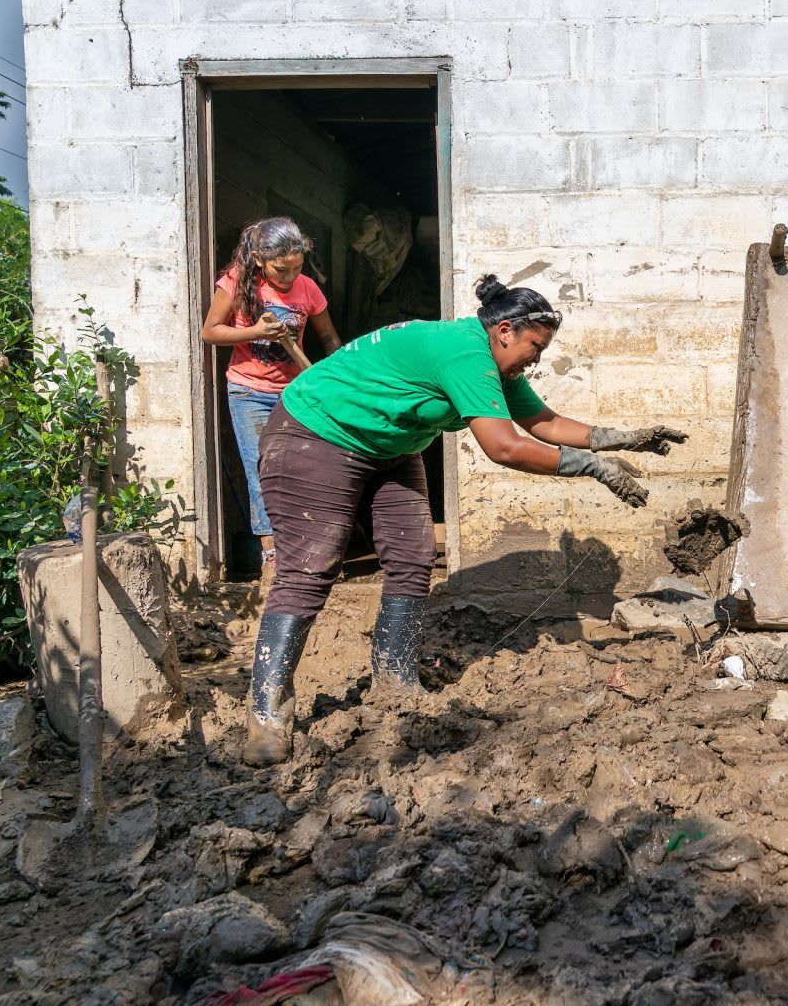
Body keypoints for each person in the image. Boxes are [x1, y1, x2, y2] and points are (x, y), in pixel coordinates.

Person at [242, 274, 688, 766]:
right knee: (310, 571)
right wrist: (591, 467)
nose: (535, 361)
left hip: (389, 448)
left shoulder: (497, 367)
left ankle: (396, 686)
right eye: (534, 347)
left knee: (412, 558)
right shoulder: (465, 353)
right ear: (504, 331)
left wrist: (621, 438)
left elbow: (543, 422)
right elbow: (503, 447)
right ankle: (267, 716)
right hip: (315, 435)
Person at [201, 217, 343, 582]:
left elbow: (328, 338)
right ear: (259, 258)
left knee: (306, 468)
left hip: (294, 394)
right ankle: (272, 558)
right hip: (248, 392)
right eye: (282, 269)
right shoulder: (235, 281)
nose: (290, 277)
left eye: (297, 268)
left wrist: (336, 376)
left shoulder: (308, 288)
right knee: (262, 470)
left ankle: (311, 550)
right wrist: (256, 331)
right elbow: (211, 331)